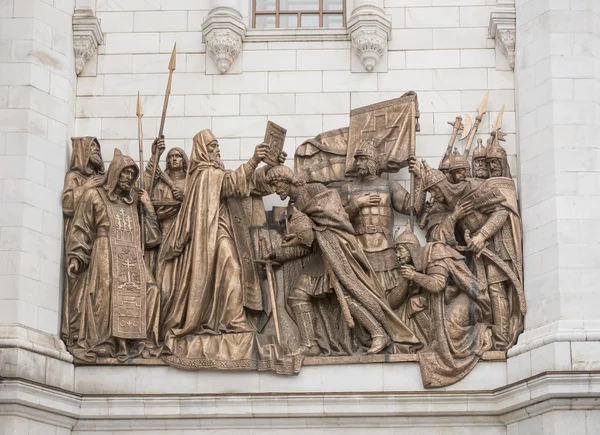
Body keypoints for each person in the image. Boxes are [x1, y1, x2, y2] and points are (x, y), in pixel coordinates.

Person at [265, 165, 421, 356]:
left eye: (276, 183)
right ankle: (309, 344)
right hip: (321, 254)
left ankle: (379, 333)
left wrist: (310, 232)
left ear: (286, 179)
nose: (275, 190)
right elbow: (307, 244)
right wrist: (279, 254)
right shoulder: (293, 207)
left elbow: (336, 219)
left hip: (338, 249)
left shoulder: (315, 190)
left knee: (348, 293)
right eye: (272, 186)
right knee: (298, 294)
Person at [66, 149, 162, 362]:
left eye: (131, 174)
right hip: (105, 252)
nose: (128, 178)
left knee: (152, 290)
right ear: (115, 173)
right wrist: (76, 256)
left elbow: (151, 239)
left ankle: (144, 342)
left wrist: (148, 208)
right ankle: (106, 343)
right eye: (125, 173)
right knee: (107, 290)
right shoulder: (94, 195)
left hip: (132, 256)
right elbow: (82, 227)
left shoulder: (133, 203)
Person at [420, 160, 524, 350]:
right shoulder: (449, 206)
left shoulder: (471, 188)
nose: (434, 196)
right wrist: (461, 226)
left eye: (434, 190)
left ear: (442, 185)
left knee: (495, 288)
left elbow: (501, 210)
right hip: (476, 253)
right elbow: (445, 238)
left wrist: (482, 235)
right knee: (486, 290)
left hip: (496, 244)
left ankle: (501, 341)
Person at [394, 221, 492, 388]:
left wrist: (413, 276)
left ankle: (483, 334)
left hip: (470, 299)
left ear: (410, 248)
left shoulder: (434, 253)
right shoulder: (418, 264)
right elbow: (393, 302)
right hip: (447, 299)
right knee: (413, 303)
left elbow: (437, 285)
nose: (397, 255)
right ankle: (421, 342)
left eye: (400, 249)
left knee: (450, 327)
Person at [341, 140, 425, 309]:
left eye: (363, 159)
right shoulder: (349, 188)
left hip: (386, 249)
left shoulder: (389, 185)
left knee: (389, 298)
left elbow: (413, 207)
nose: (358, 163)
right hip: (359, 250)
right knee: (360, 296)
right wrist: (358, 203)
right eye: (357, 159)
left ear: (373, 161)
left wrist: (420, 178)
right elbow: (338, 219)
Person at [61, 136, 105, 347]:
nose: (96, 151)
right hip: (79, 236)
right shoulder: (75, 177)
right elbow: (68, 205)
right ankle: (76, 333)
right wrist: (86, 187)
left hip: (98, 239)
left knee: (96, 289)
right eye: (92, 147)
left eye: (97, 147)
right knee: (79, 286)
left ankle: (93, 334)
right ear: (82, 151)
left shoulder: (101, 178)